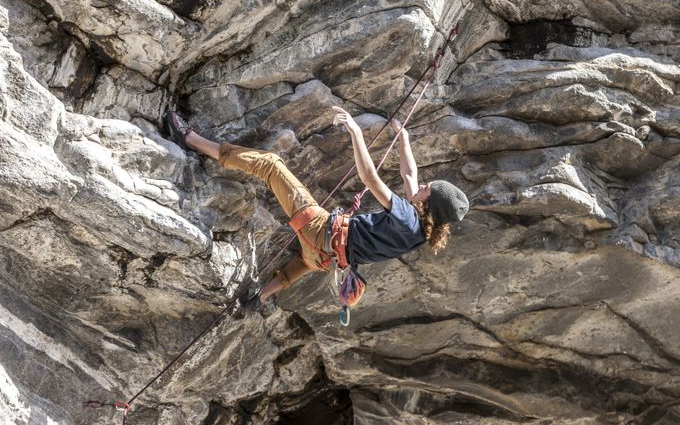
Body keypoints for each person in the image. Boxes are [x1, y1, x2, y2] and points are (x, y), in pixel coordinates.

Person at [164, 106, 469, 310]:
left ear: (429, 202)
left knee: (271, 166)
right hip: (325, 259)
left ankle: (192, 140)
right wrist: (404, 140)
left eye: (429, 189)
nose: (424, 185)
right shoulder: (420, 232)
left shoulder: (405, 215)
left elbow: (370, 178)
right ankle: (260, 296)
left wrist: (356, 132)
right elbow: (409, 175)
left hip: (318, 229)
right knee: (305, 261)